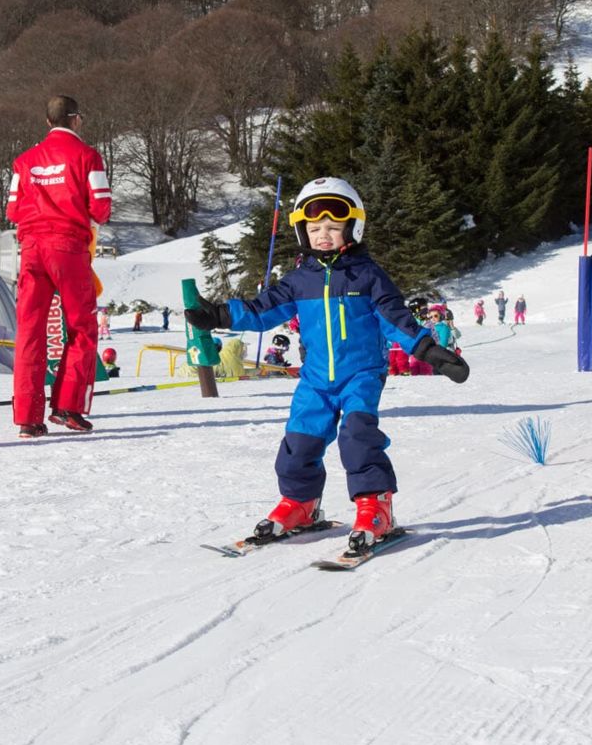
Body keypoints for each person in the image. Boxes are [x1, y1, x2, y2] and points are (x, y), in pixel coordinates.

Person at [185, 177, 470, 554]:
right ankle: (300, 504)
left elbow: (396, 321)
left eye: (333, 228)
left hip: (362, 374)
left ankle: (375, 506)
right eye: (314, 228)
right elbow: (261, 309)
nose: (323, 235)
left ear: (353, 228)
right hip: (316, 378)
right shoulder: (300, 280)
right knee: (300, 440)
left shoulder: (368, 277)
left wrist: (430, 351)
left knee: (357, 436)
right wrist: (220, 313)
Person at [6, 95, 112, 438]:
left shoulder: (24, 161)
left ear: (48, 121)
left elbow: (11, 210)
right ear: (76, 120)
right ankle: (68, 407)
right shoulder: (88, 157)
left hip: (32, 249)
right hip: (67, 247)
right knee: (81, 327)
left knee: (30, 331)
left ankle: (28, 418)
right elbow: (101, 208)